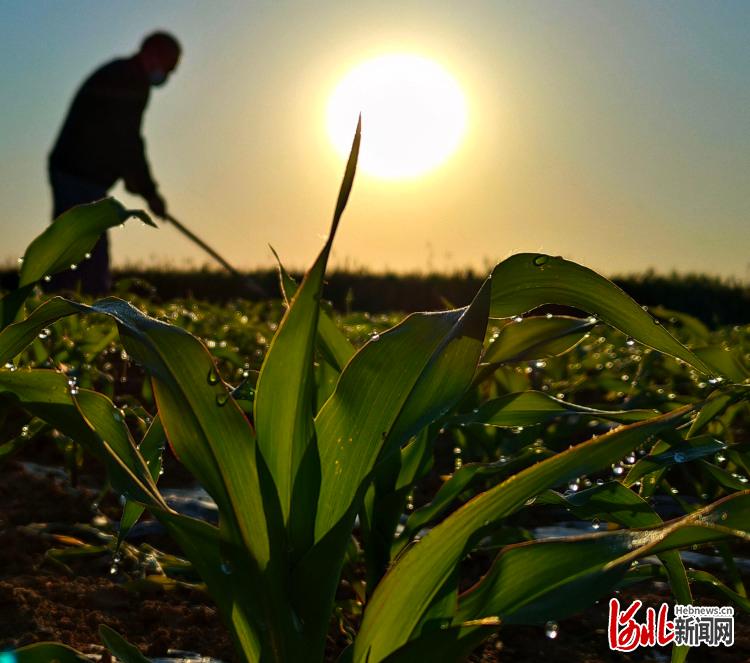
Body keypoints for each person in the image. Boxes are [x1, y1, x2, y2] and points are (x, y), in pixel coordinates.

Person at [48, 31, 181, 294]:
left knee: (76, 247)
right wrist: (148, 190)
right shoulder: (128, 80)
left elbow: (120, 138)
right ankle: (82, 310)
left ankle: (63, 309)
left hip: (80, 172)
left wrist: (135, 180)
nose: (168, 74)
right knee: (86, 250)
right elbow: (127, 139)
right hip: (77, 172)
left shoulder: (125, 76)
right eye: (169, 66)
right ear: (153, 54)